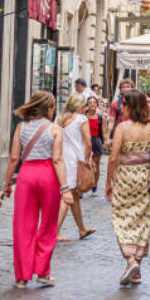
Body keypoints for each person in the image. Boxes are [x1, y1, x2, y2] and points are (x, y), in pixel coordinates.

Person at [4, 91, 73, 289]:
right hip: (48, 176)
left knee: (23, 225)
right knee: (48, 225)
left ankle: (22, 277)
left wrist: (8, 183)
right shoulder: (55, 129)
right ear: (49, 108)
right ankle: (42, 272)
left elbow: (14, 158)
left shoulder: (21, 127)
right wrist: (65, 188)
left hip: (26, 176)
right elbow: (57, 160)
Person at [106, 89, 150, 285]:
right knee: (142, 221)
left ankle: (130, 260)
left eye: (124, 105)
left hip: (126, 177)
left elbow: (113, 158)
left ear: (131, 106)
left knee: (122, 219)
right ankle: (137, 271)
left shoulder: (123, 127)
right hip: (147, 177)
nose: (122, 108)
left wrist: (107, 183)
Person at [55, 94, 96, 242]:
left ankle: (82, 228)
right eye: (84, 105)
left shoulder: (59, 118)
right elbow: (88, 142)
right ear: (79, 106)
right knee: (67, 195)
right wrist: (86, 159)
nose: (85, 108)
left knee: (74, 195)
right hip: (73, 161)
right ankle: (55, 232)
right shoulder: (81, 119)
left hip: (60, 157)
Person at [86, 97, 107, 197]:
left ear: (97, 104)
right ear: (87, 104)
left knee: (95, 165)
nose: (92, 104)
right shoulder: (83, 117)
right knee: (84, 164)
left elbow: (104, 131)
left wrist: (106, 141)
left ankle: (94, 186)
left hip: (96, 141)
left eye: (94, 102)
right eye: (90, 102)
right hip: (85, 141)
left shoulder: (100, 118)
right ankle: (82, 185)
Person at [108, 78, 135, 143]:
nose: (126, 89)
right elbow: (111, 121)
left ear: (132, 88)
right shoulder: (115, 104)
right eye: (123, 87)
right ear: (120, 90)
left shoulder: (137, 102)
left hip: (134, 133)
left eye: (128, 87)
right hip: (120, 133)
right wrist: (107, 137)